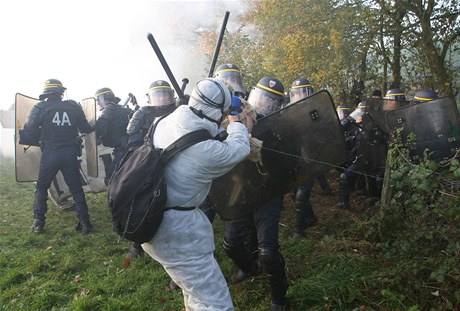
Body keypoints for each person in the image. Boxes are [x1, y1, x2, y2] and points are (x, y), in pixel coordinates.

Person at [141, 78, 250, 310]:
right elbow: (240, 147)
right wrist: (235, 119)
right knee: (216, 304)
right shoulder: (206, 151)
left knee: (195, 293)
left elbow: (199, 126)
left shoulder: (163, 121)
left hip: (151, 216)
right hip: (176, 233)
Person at [223, 77, 289, 311]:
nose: (265, 105)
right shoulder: (236, 119)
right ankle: (250, 268)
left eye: (272, 102)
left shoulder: (282, 126)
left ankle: (279, 299)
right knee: (231, 244)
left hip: (268, 192)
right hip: (241, 190)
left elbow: (291, 164)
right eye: (262, 99)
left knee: (268, 251)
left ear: (279, 105)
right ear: (252, 96)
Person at [20, 79, 94, 233]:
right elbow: (86, 128)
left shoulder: (40, 107)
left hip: (50, 154)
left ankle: (39, 223)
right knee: (76, 189)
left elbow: (28, 132)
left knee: (41, 187)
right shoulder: (73, 106)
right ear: (61, 92)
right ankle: (85, 223)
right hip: (69, 153)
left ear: (46, 93)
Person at [289, 78, 333, 239]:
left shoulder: (317, 111)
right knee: (294, 194)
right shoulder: (289, 111)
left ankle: (299, 231)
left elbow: (325, 132)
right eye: (297, 93)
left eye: (304, 92)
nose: (301, 96)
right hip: (296, 159)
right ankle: (310, 218)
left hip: (312, 158)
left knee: (301, 194)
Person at [94, 87, 130, 185]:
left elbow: (100, 125)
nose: (97, 102)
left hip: (122, 148)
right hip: (126, 145)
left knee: (112, 177)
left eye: (98, 99)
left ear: (104, 97)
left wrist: (93, 134)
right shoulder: (120, 108)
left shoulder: (109, 108)